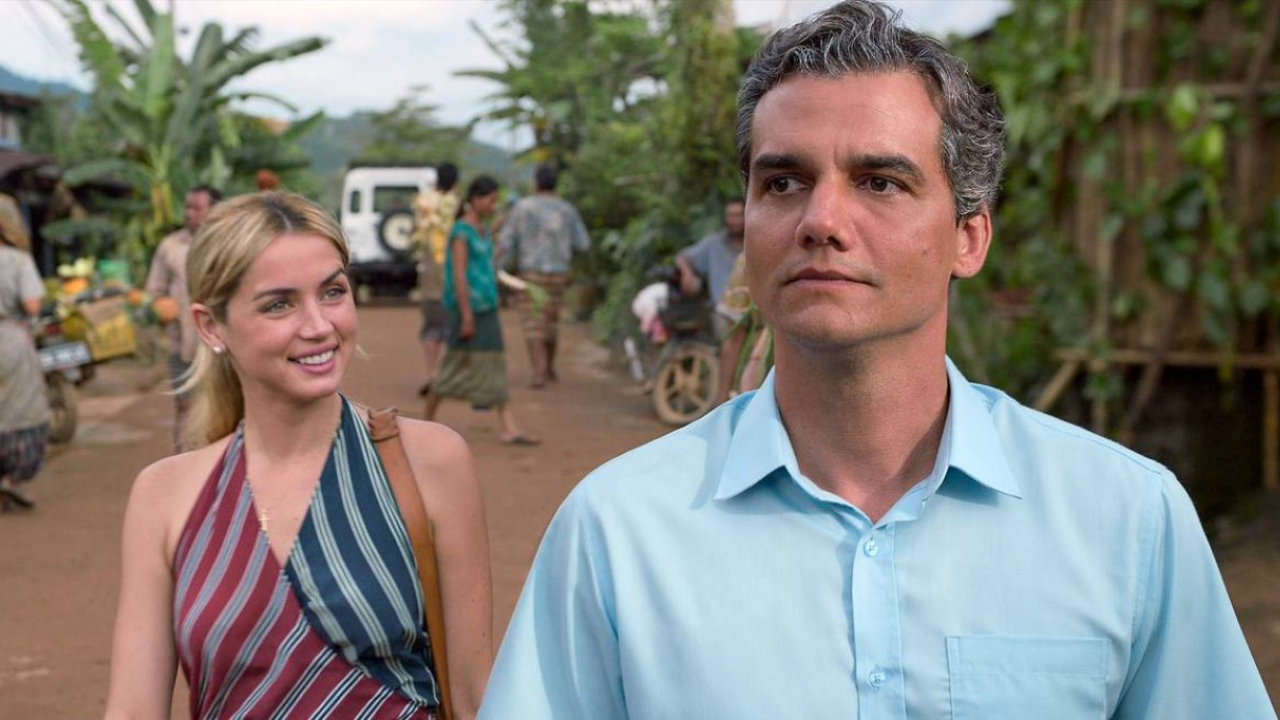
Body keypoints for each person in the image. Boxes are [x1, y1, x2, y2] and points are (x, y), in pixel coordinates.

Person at [478, 2, 1275, 718]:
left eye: (881, 182)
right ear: (748, 222)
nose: (822, 220)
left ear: (970, 237)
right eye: (784, 180)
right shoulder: (618, 531)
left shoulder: (1124, 520)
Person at [105, 192, 493, 719]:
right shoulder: (167, 495)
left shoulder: (430, 461)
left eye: (332, 292)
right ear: (211, 326)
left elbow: (474, 696)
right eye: (279, 303)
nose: (318, 325)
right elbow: (134, 710)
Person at [426, 176, 539, 446]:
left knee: (493, 364)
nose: (493, 205)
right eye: (490, 199)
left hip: (486, 308)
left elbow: (487, 271)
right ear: (475, 200)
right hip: (468, 309)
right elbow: (460, 276)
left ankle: (509, 427)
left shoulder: (482, 230)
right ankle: (424, 422)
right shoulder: (461, 232)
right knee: (453, 365)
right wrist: (466, 315)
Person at [497, 163, 589, 388]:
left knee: (532, 322)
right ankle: (548, 368)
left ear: (536, 182)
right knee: (551, 320)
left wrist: (498, 268)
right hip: (559, 274)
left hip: (530, 273)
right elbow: (583, 244)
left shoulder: (522, 208)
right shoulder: (567, 209)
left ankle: (538, 372)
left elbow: (507, 243)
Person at [145, 184, 220, 453]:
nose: (189, 213)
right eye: (187, 207)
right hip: (183, 346)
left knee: (227, 407)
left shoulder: (228, 243)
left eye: (196, 208)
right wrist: (161, 309)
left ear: (214, 210)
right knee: (185, 408)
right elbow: (155, 290)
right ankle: (184, 470)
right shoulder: (170, 247)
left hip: (224, 346)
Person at [0, 202, 49, 511]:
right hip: (10, 342)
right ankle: (11, 479)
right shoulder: (17, 261)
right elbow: (32, 305)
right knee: (20, 411)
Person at [413, 162, 461, 398]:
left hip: (431, 272)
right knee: (453, 326)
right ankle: (447, 376)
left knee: (431, 326)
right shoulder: (457, 204)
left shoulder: (425, 201)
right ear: (455, 181)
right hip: (455, 273)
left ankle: (432, 374)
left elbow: (417, 235)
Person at [674, 196, 745, 339]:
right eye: (731, 215)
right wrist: (687, 275)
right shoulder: (714, 243)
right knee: (729, 342)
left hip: (754, 310)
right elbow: (682, 257)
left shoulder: (757, 241)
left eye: (739, 215)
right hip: (723, 311)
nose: (735, 220)